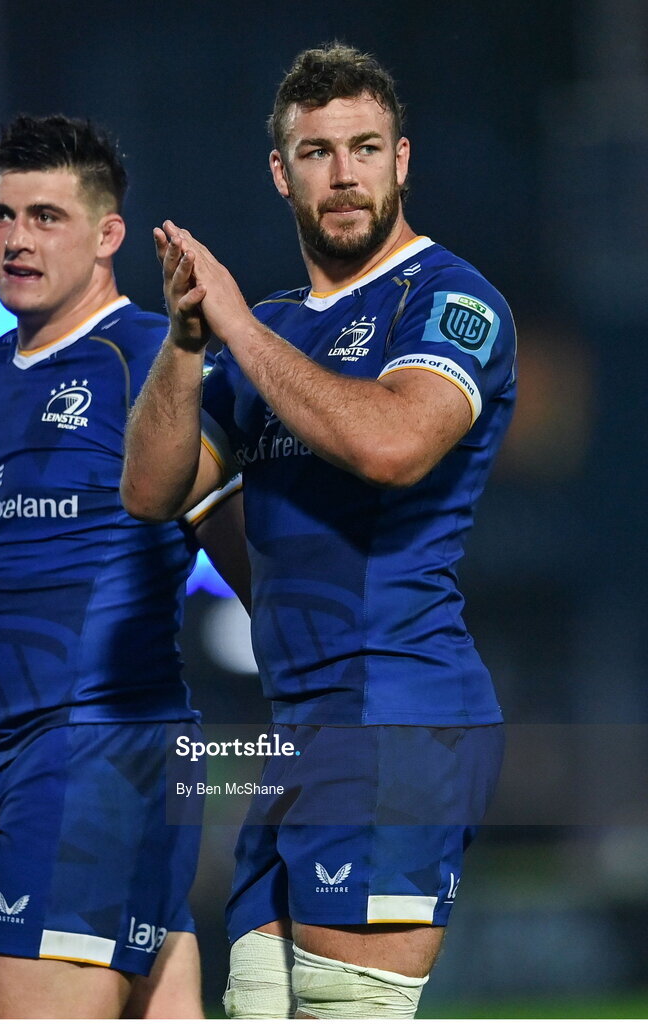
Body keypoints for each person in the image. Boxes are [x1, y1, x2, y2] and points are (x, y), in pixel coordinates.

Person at [121, 44, 516, 1019]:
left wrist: (238, 332)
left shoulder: (449, 301)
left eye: (365, 147)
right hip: (301, 733)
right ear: (280, 172)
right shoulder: (271, 324)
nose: (343, 174)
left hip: (399, 709)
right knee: (253, 1005)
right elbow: (153, 490)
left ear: (402, 160)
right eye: (318, 151)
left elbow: (390, 442)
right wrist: (183, 341)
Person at [0, 114, 248, 1019]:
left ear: (108, 236)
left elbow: (242, 545)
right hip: (41, 765)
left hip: (97, 755)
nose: (16, 238)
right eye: (1, 215)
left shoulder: (155, 358)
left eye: (46, 216)